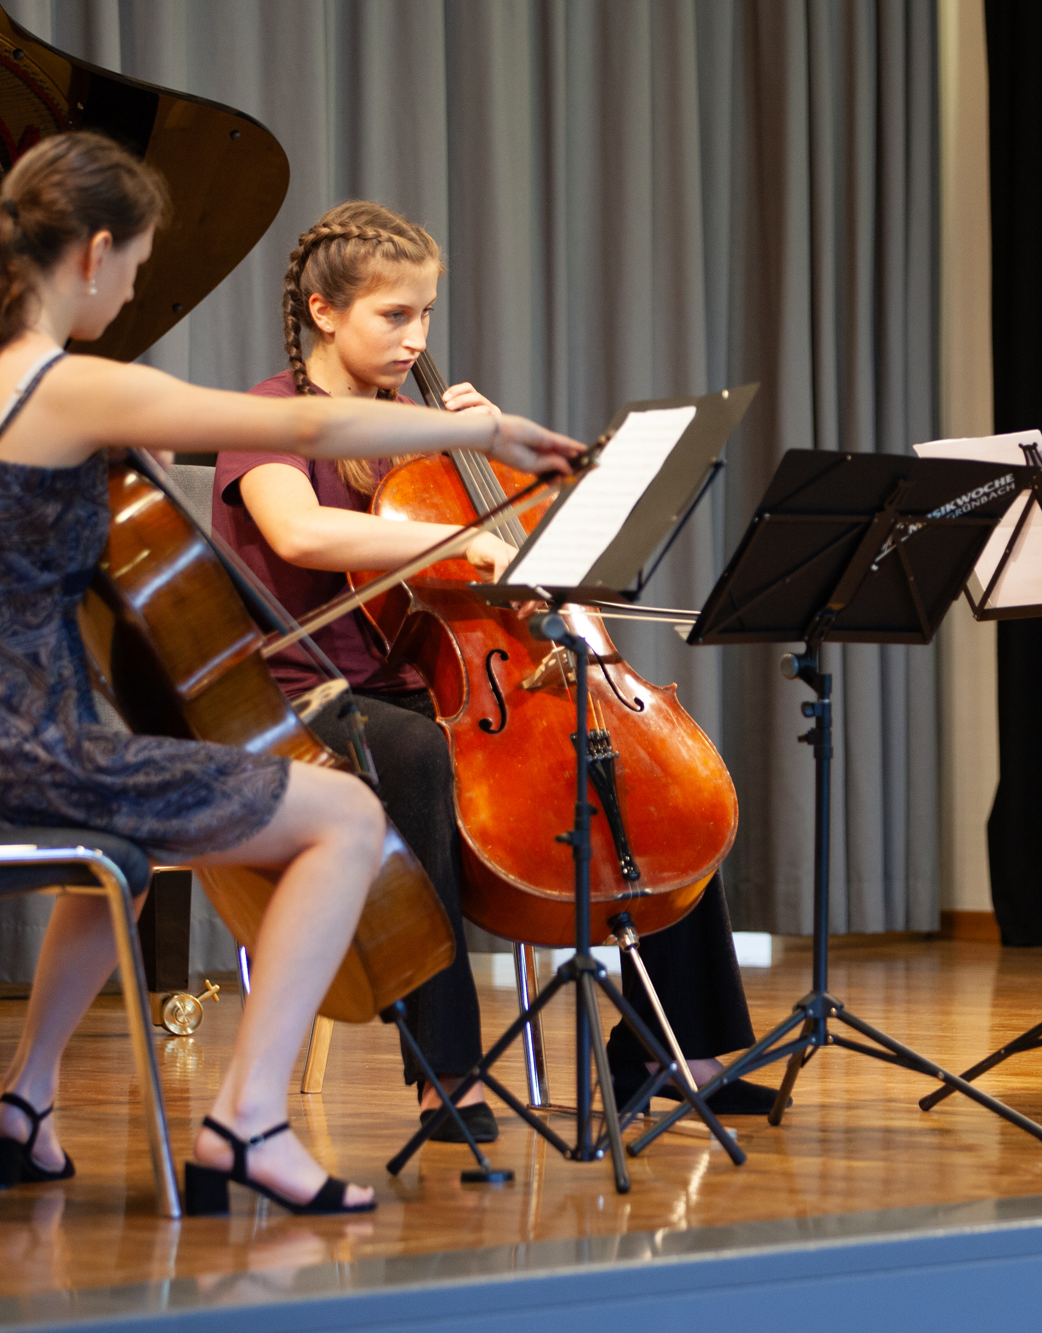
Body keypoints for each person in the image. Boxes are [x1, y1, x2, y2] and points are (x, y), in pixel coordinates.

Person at [0, 132, 582, 1215]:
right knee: (340, 813)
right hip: (20, 755)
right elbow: (298, 421)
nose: (136, 285)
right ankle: (248, 1121)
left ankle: (26, 1100)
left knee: (130, 841)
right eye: (139, 266)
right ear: (93, 253)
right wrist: (481, 429)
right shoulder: (69, 389)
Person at [210, 201, 775, 1131]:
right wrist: (457, 535)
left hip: (435, 687)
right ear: (322, 311)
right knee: (421, 761)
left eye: (425, 315)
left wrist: (490, 447)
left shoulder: (417, 425)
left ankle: (679, 1047)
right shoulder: (269, 416)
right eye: (394, 315)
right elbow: (298, 530)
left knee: (632, 765)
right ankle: (448, 1075)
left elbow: (523, 561)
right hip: (306, 697)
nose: (416, 337)